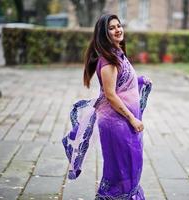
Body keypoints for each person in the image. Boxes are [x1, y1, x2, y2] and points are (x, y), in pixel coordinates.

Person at [62, 14, 152, 200]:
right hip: (117, 124)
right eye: (112, 28)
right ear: (104, 34)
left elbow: (122, 84)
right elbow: (110, 95)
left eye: (119, 25)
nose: (118, 29)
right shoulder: (108, 61)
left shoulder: (118, 55)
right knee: (121, 171)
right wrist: (132, 118)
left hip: (124, 122)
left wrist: (140, 81)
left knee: (131, 167)